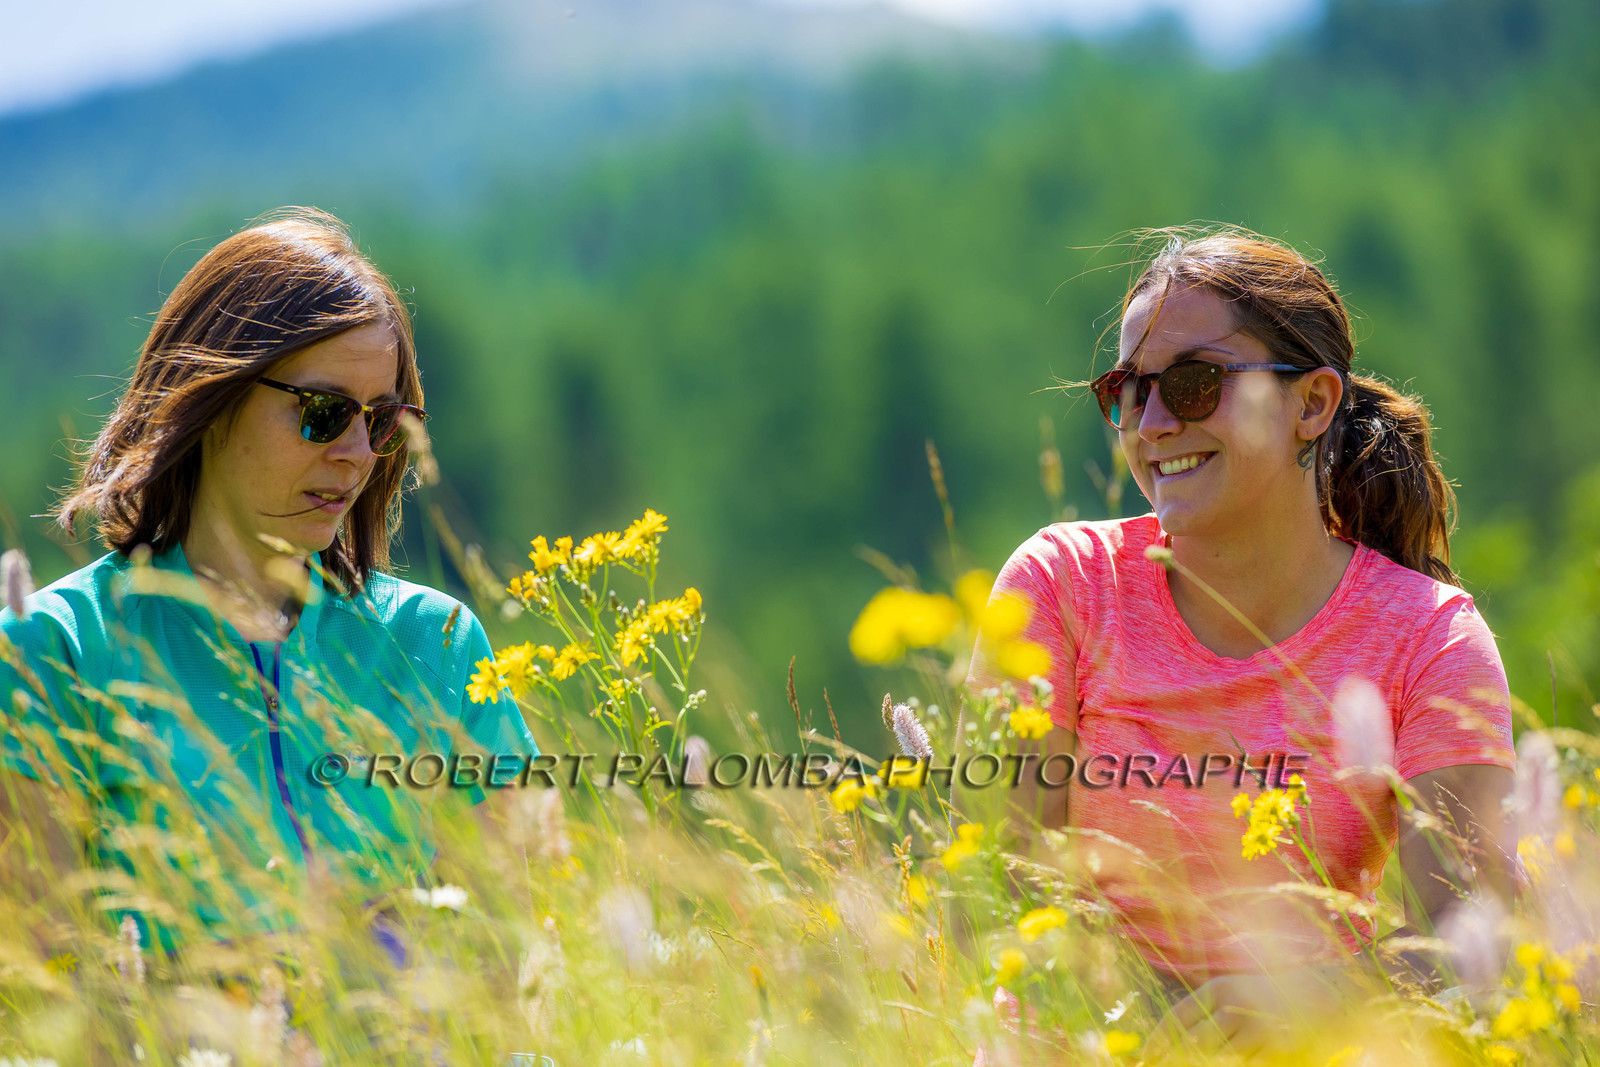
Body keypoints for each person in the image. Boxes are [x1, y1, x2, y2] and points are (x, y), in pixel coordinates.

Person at [966, 226, 1516, 1055]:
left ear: (1313, 403)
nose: (1150, 423)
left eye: (1193, 383)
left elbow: (1467, 955)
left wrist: (1304, 1004)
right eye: (1127, 389)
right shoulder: (1059, 586)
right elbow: (995, 895)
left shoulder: (1431, 641)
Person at [0, 208, 540, 960]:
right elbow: (42, 978)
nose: (359, 453)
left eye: (382, 421)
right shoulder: (51, 650)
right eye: (324, 414)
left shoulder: (439, 645)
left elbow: (506, 962)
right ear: (212, 399)